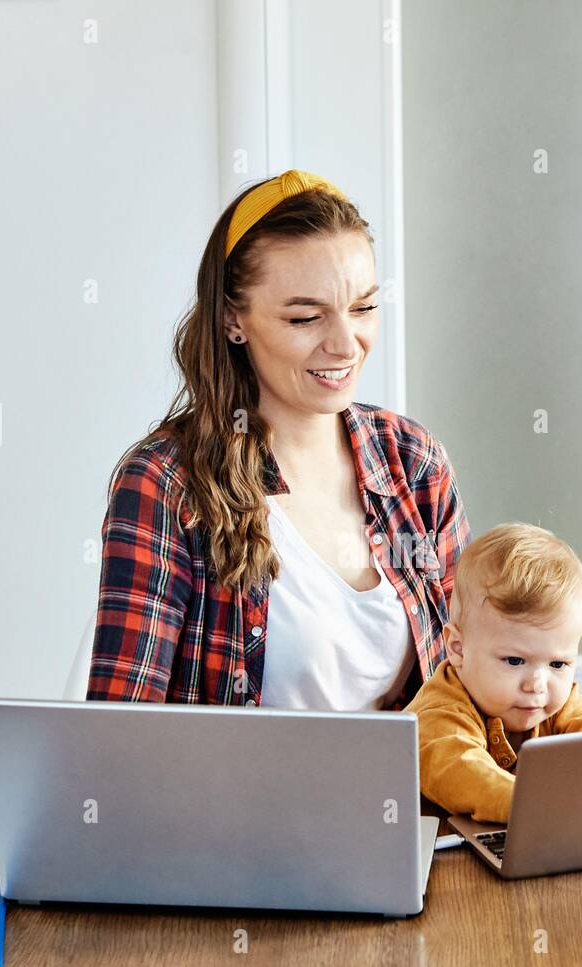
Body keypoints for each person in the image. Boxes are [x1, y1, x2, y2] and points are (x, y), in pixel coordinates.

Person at [86, 169, 471, 710]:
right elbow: (121, 736)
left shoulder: (413, 461)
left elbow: (477, 677)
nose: (345, 344)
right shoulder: (167, 483)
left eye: (363, 308)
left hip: (407, 798)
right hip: (230, 798)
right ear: (232, 320)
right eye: (305, 317)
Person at [406, 523, 582, 823]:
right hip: (439, 854)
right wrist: (545, 806)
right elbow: (464, 772)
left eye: (557, 665)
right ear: (458, 649)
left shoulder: (557, 704)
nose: (537, 685)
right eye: (515, 661)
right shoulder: (440, 711)